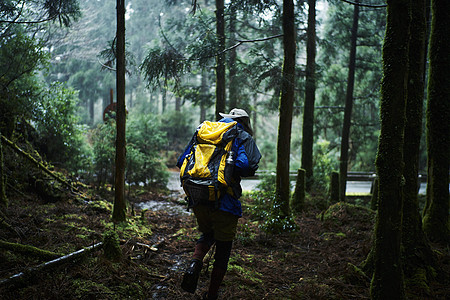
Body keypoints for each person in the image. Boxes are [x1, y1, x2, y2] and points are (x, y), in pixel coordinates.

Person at [177, 108, 261, 299]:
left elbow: (182, 161)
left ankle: (195, 263)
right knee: (223, 250)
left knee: (207, 234)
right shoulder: (242, 136)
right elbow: (247, 166)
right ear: (244, 121)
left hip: (198, 197)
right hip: (225, 201)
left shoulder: (204, 131)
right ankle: (212, 295)